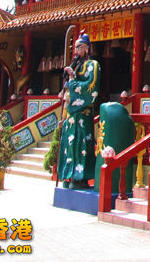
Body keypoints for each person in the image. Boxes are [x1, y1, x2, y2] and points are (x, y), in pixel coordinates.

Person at [57, 33, 101, 189]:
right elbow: (69, 88)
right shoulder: (76, 65)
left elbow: (92, 88)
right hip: (71, 114)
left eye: (79, 47)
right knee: (69, 144)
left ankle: (80, 178)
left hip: (83, 113)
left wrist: (73, 81)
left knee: (82, 143)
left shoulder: (93, 66)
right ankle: (68, 175)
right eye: (74, 48)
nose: (76, 51)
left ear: (87, 48)